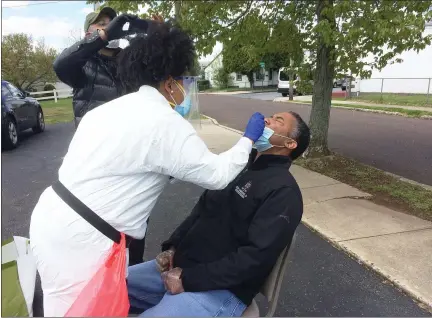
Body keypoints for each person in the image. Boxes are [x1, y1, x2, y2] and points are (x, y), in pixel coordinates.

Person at [29, 20, 265, 317]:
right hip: (84, 241)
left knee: (64, 307)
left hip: (51, 219)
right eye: (183, 81)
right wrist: (247, 140)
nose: (184, 89)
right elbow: (217, 176)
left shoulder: (107, 110)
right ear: (169, 83)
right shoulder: (164, 123)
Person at [127, 111, 311, 317]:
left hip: (219, 290)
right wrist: (171, 248)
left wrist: (188, 280)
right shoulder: (236, 167)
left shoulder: (283, 192)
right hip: (177, 268)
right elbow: (200, 211)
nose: (267, 120)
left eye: (279, 121)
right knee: (101, 287)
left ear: (290, 144)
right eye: (271, 116)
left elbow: (255, 258)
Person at [53, 8, 160, 265]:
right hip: (97, 166)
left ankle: (130, 283)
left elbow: (160, 68)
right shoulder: (81, 67)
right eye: (100, 24)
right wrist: (99, 39)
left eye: (111, 23)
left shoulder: (130, 62)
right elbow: (61, 64)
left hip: (133, 161)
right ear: (89, 32)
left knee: (134, 229)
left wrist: (155, 34)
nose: (107, 27)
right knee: (100, 233)